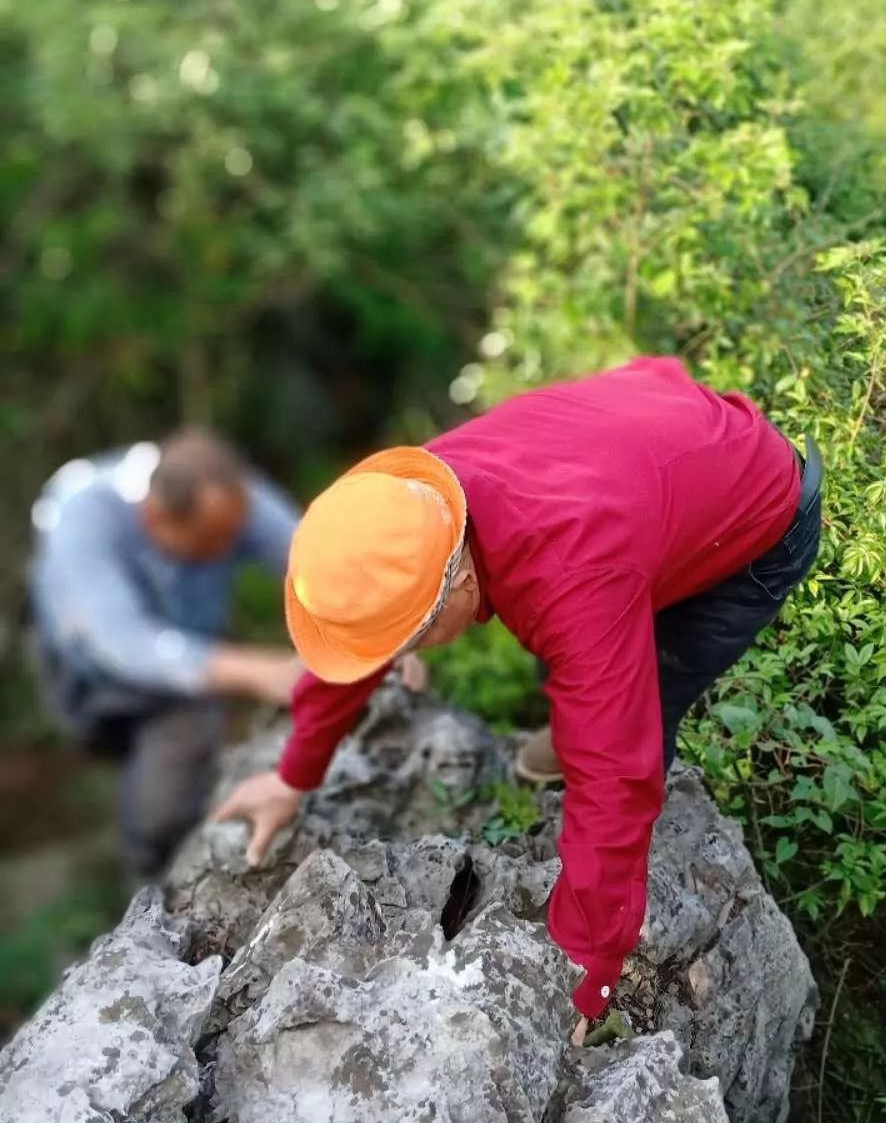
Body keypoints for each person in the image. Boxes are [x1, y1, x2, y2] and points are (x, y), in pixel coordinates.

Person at [214, 359, 823, 1041]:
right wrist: (294, 773)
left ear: (461, 582)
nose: (390, 659)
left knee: (633, 702)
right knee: (585, 665)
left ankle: (587, 734)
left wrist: (586, 971)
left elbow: (618, 778)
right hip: (646, 441)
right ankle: (578, 714)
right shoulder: (413, 502)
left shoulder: (569, 573)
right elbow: (359, 633)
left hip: (758, 514)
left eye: (407, 637)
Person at [28, 429, 306, 879]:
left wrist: (374, 637)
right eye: (210, 542)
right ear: (155, 519)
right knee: (131, 762)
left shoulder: (235, 497)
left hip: (186, 675)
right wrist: (263, 672)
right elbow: (125, 643)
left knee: (166, 798)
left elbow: (305, 555)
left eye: (232, 538)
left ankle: (159, 871)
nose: (228, 552)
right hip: (92, 676)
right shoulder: (80, 514)